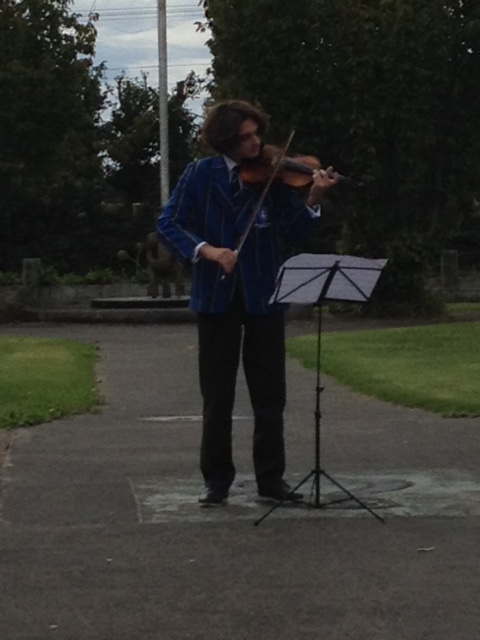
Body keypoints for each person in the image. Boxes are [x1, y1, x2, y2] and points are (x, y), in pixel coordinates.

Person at [157, 99, 338, 507]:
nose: (256, 143)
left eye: (257, 134)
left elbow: (293, 229)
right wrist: (207, 250)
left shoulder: (274, 177)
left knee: (270, 396)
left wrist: (313, 198)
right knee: (217, 397)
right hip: (216, 298)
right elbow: (168, 222)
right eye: (245, 137)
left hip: (264, 295)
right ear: (225, 140)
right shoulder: (199, 174)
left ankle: (271, 479)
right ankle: (216, 481)